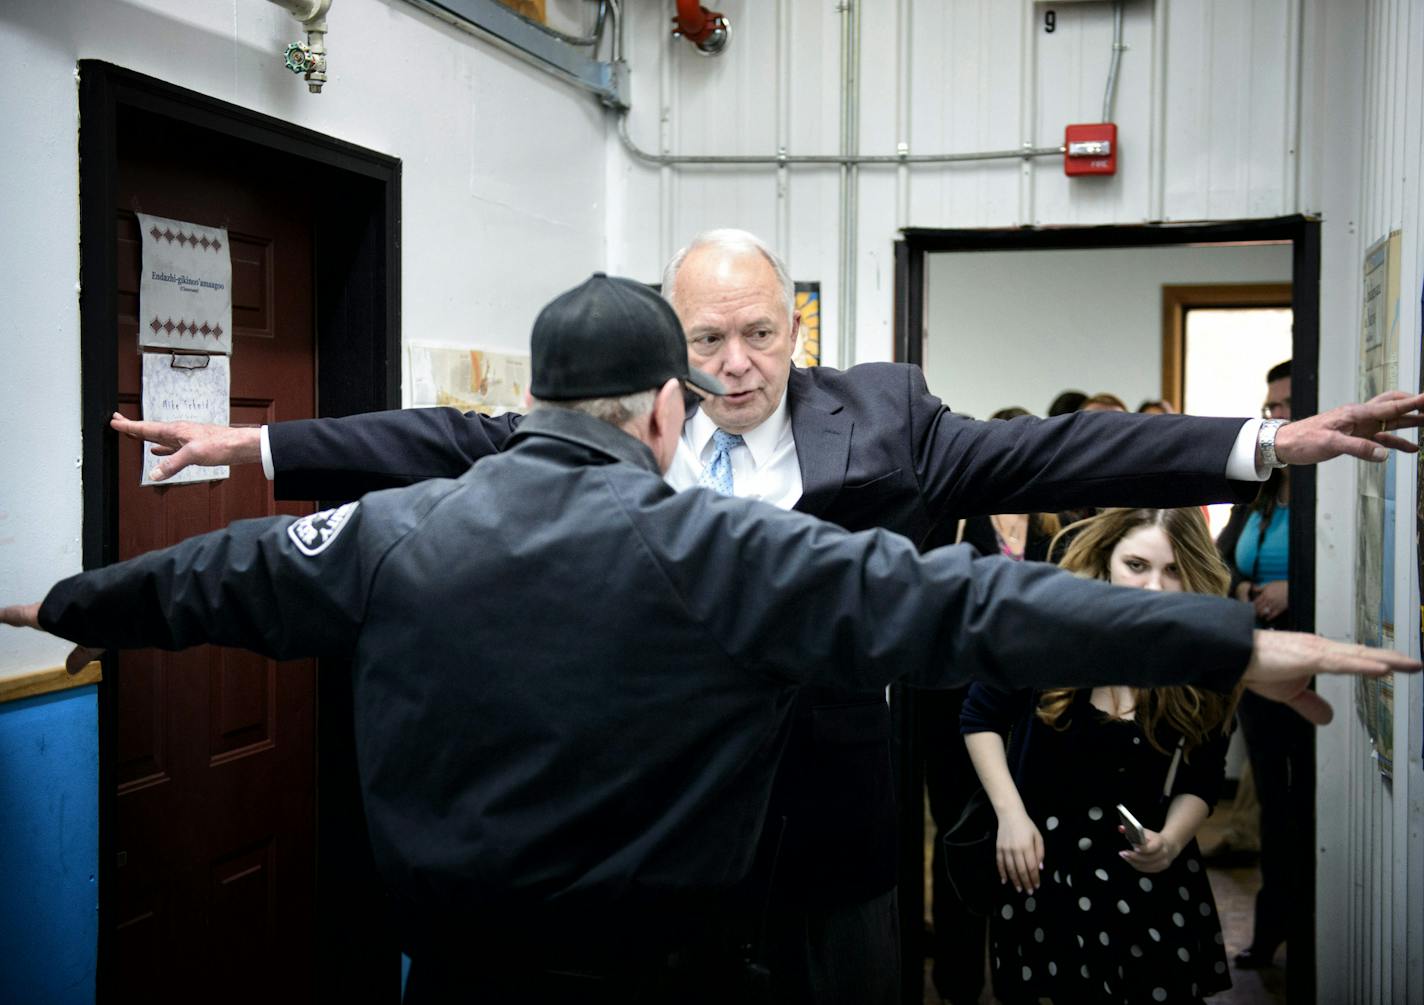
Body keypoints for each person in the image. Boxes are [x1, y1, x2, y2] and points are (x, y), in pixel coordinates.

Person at [106, 230, 1424, 1004]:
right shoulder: (621, 424)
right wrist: (250, 447)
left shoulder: (888, 424)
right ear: (665, 358)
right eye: (705, 341)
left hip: (831, 806)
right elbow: (443, 434)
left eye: (755, 334)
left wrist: (1263, 441)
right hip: (662, 826)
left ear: (793, 327)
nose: (733, 364)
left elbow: (1056, 465)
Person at [962, 508, 1247, 1004]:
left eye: (1173, 570)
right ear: (1105, 561)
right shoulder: (1050, 632)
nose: (1153, 587)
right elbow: (979, 717)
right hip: (1043, 870)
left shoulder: (1202, 664)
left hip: (1146, 876)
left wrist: (1171, 843)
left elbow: (1203, 778)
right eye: (1136, 565)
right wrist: (1010, 816)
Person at [921, 405, 1063, 1005]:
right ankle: (957, 981)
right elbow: (924, 607)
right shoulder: (952, 521)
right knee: (964, 833)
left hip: (1031, 712)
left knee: (1027, 836)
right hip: (955, 710)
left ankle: (1022, 972)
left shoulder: (1059, 530)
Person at [1214, 358, 1307, 970]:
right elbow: (1221, 563)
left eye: (1289, 403)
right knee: (1275, 800)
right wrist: (1247, 592)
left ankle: (1313, 928)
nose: (1278, 416)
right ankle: (1273, 926)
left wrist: (1297, 590)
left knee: (1312, 804)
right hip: (1259, 664)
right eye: (1271, 406)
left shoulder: (1331, 486)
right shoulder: (1259, 490)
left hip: (1315, 662)